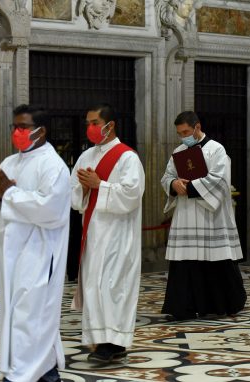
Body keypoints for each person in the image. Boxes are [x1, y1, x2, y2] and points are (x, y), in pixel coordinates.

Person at [0, 104, 71, 382]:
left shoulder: (53, 166)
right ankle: (43, 371)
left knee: (32, 315)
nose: (17, 132)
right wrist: (2, 195)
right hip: (11, 254)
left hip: (40, 253)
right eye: (14, 127)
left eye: (23, 128)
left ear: (41, 131)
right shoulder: (10, 162)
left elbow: (51, 211)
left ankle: (21, 375)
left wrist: (12, 194)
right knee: (15, 314)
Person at [70, 103, 145, 364]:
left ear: (109, 125)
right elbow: (74, 196)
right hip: (93, 233)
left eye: (94, 123)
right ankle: (100, 340)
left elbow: (132, 194)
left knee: (113, 286)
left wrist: (99, 185)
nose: (90, 128)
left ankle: (115, 342)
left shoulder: (127, 158)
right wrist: (83, 189)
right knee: (94, 285)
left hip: (118, 235)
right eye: (88, 123)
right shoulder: (86, 156)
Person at [161, 111, 246, 320]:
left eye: (186, 132)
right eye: (180, 133)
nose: (183, 137)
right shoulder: (178, 151)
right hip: (187, 215)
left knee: (214, 259)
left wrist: (189, 187)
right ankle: (184, 306)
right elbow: (167, 176)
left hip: (210, 215)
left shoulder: (216, 149)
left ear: (197, 127)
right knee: (185, 262)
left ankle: (219, 304)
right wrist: (174, 184)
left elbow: (220, 180)